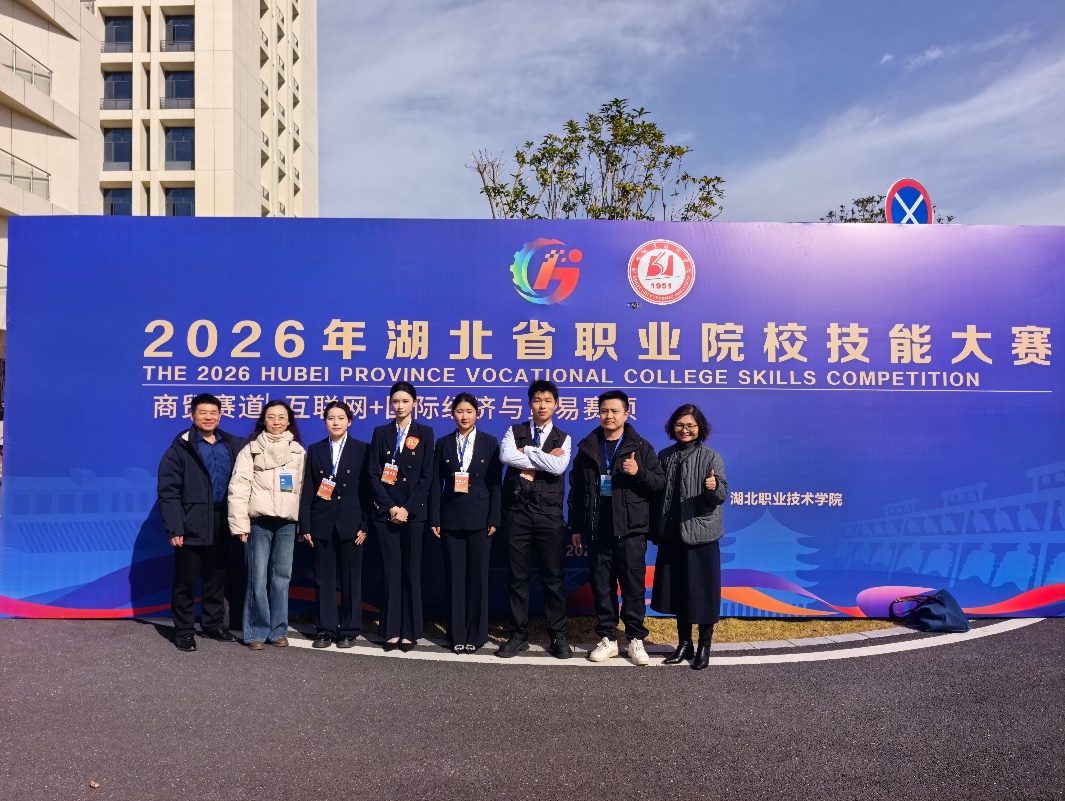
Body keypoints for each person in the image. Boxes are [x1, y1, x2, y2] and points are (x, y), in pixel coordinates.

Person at [569, 390, 664, 665]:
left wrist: (639, 472)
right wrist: (577, 527)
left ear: (626, 413)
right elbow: (577, 490)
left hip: (631, 530)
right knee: (602, 587)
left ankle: (635, 639)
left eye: (614, 411)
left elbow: (659, 484)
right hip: (598, 529)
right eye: (604, 411)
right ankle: (608, 638)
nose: (608, 416)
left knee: (633, 587)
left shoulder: (641, 447)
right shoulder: (588, 447)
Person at [157, 393, 245, 652]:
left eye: (213, 413)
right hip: (190, 521)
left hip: (222, 520)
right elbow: (168, 491)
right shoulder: (180, 448)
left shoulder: (231, 445)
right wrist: (175, 527)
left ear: (220, 415)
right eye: (202, 412)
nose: (208, 417)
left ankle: (213, 624)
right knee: (185, 580)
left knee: (216, 576)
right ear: (192, 415)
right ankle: (184, 631)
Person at [497, 380, 573, 659]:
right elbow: (506, 456)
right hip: (516, 513)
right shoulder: (514, 430)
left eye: (548, 401)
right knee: (517, 577)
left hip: (549, 515)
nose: (542, 405)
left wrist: (527, 452)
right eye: (537, 400)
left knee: (553, 577)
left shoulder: (564, 437)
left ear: (556, 405)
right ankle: (518, 635)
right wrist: (542, 456)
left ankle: (558, 636)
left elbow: (558, 466)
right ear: (529, 403)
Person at [651, 404, 728, 671]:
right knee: (679, 591)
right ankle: (685, 644)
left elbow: (721, 496)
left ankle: (704, 645)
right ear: (673, 427)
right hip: (672, 535)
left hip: (701, 535)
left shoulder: (711, 457)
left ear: (700, 428)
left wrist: (713, 487)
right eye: (680, 425)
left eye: (690, 426)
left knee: (704, 593)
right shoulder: (665, 455)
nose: (685, 430)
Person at [228, 399, 306, 651]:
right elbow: (239, 488)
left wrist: (303, 525)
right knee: (257, 578)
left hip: (287, 524)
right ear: (263, 420)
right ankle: (256, 631)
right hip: (258, 523)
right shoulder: (251, 450)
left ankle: (278, 630)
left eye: (281, 417)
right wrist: (240, 525)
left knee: (282, 578)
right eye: (271, 417)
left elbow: (303, 490)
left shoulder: (298, 452)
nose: (276, 422)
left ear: (289, 421)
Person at [428, 393, 502, 654]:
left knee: (478, 579)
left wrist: (494, 517)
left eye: (469, 411)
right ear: (453, 414)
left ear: (477, 414)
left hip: (481, 518)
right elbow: (435, 483)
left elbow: (495, 483)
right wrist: (435, 517)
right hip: (451, 517)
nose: (464, 416)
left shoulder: (489, 442)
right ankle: (457, 634)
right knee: (455, 578)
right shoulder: (444, 443)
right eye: (459, 411)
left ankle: (477, 634)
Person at [368, 382, 435, 652]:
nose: (400, 406)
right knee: (390, 572)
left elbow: (427, 476)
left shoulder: (425, 433)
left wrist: (408, 508)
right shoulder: (381, 432)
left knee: (410, 571)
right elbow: (373, 473)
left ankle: (410, 631)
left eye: (405, 401)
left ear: (414, 404)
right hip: (386, 513)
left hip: (413, 514)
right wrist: (390, 507)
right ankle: (391, 630)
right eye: (395, 401)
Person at [298, 401, 370, 650]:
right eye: (330, 418)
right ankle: (325, 629)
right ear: (325, 422)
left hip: (352, 522)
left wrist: (365, 524)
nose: (336, 422)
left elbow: (368, 490)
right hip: (322, 522)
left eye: (341, 418)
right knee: (323, 580)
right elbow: (308, 489)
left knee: (351, 580)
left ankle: (349, 630)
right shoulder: (315, 449)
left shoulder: (362, 449)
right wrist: (305, 524)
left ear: (349, 421)